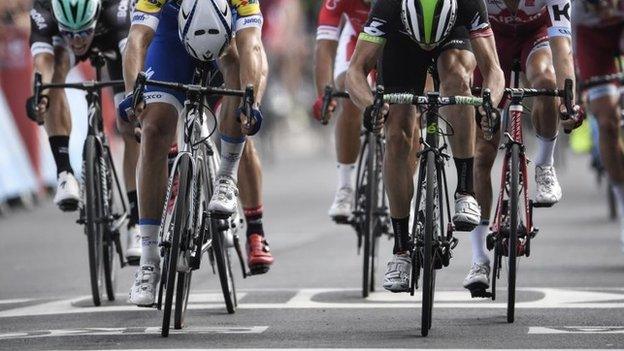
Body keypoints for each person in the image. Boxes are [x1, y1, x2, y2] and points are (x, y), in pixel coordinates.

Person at [120, 0, 273, 306]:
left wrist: (250, 104)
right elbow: (138, 38)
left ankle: (226, 177)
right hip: (170, 36)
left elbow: (253, 46)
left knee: (238, 75)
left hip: (225, 39)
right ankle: (149, 261)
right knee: (153, 131)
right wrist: (131, 94)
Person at [346, 0, 505, 292]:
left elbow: (493, 69)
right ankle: (401, 249)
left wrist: (490, 106)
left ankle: (465, 190)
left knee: (457, 77)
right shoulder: (388, 6)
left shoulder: (469, 4)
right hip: (401, 43)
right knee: (398, 130)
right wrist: (370, 106)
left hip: (453, 38)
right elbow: (354, 72)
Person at [465, 0, 583, 293]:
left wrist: (569, 103)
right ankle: (479, 258)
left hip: (536, 37)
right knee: (482, 154)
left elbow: (563, 50)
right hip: (491, 40)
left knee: (546, 80)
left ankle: (545, 165)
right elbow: (464, 40)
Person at [28, 0, 142, 262]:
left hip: (114, 41)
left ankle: (136, 222)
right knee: (53, 80)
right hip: (59, 48)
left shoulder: (117, 10)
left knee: (129, 124)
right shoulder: (45, 10)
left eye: (82, 33)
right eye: (71, 33)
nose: (78, 41)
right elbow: (42, 63)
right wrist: (40, 96)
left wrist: (133, 104)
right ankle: (64, 173)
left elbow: (133, 63)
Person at [312, 0, 371, 222]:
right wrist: (323, 95)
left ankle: (409, 197)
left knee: (404, 112)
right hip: (357, 40)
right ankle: (345, 187)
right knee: (349, 95)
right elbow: (324, 47)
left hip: (395, 43)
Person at [573, 0, 624, 252]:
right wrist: (575, 88)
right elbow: (568, 46)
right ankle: (622, 199)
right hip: (592, 42)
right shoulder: (578, 7)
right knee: (607, 121)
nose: (604, 8)